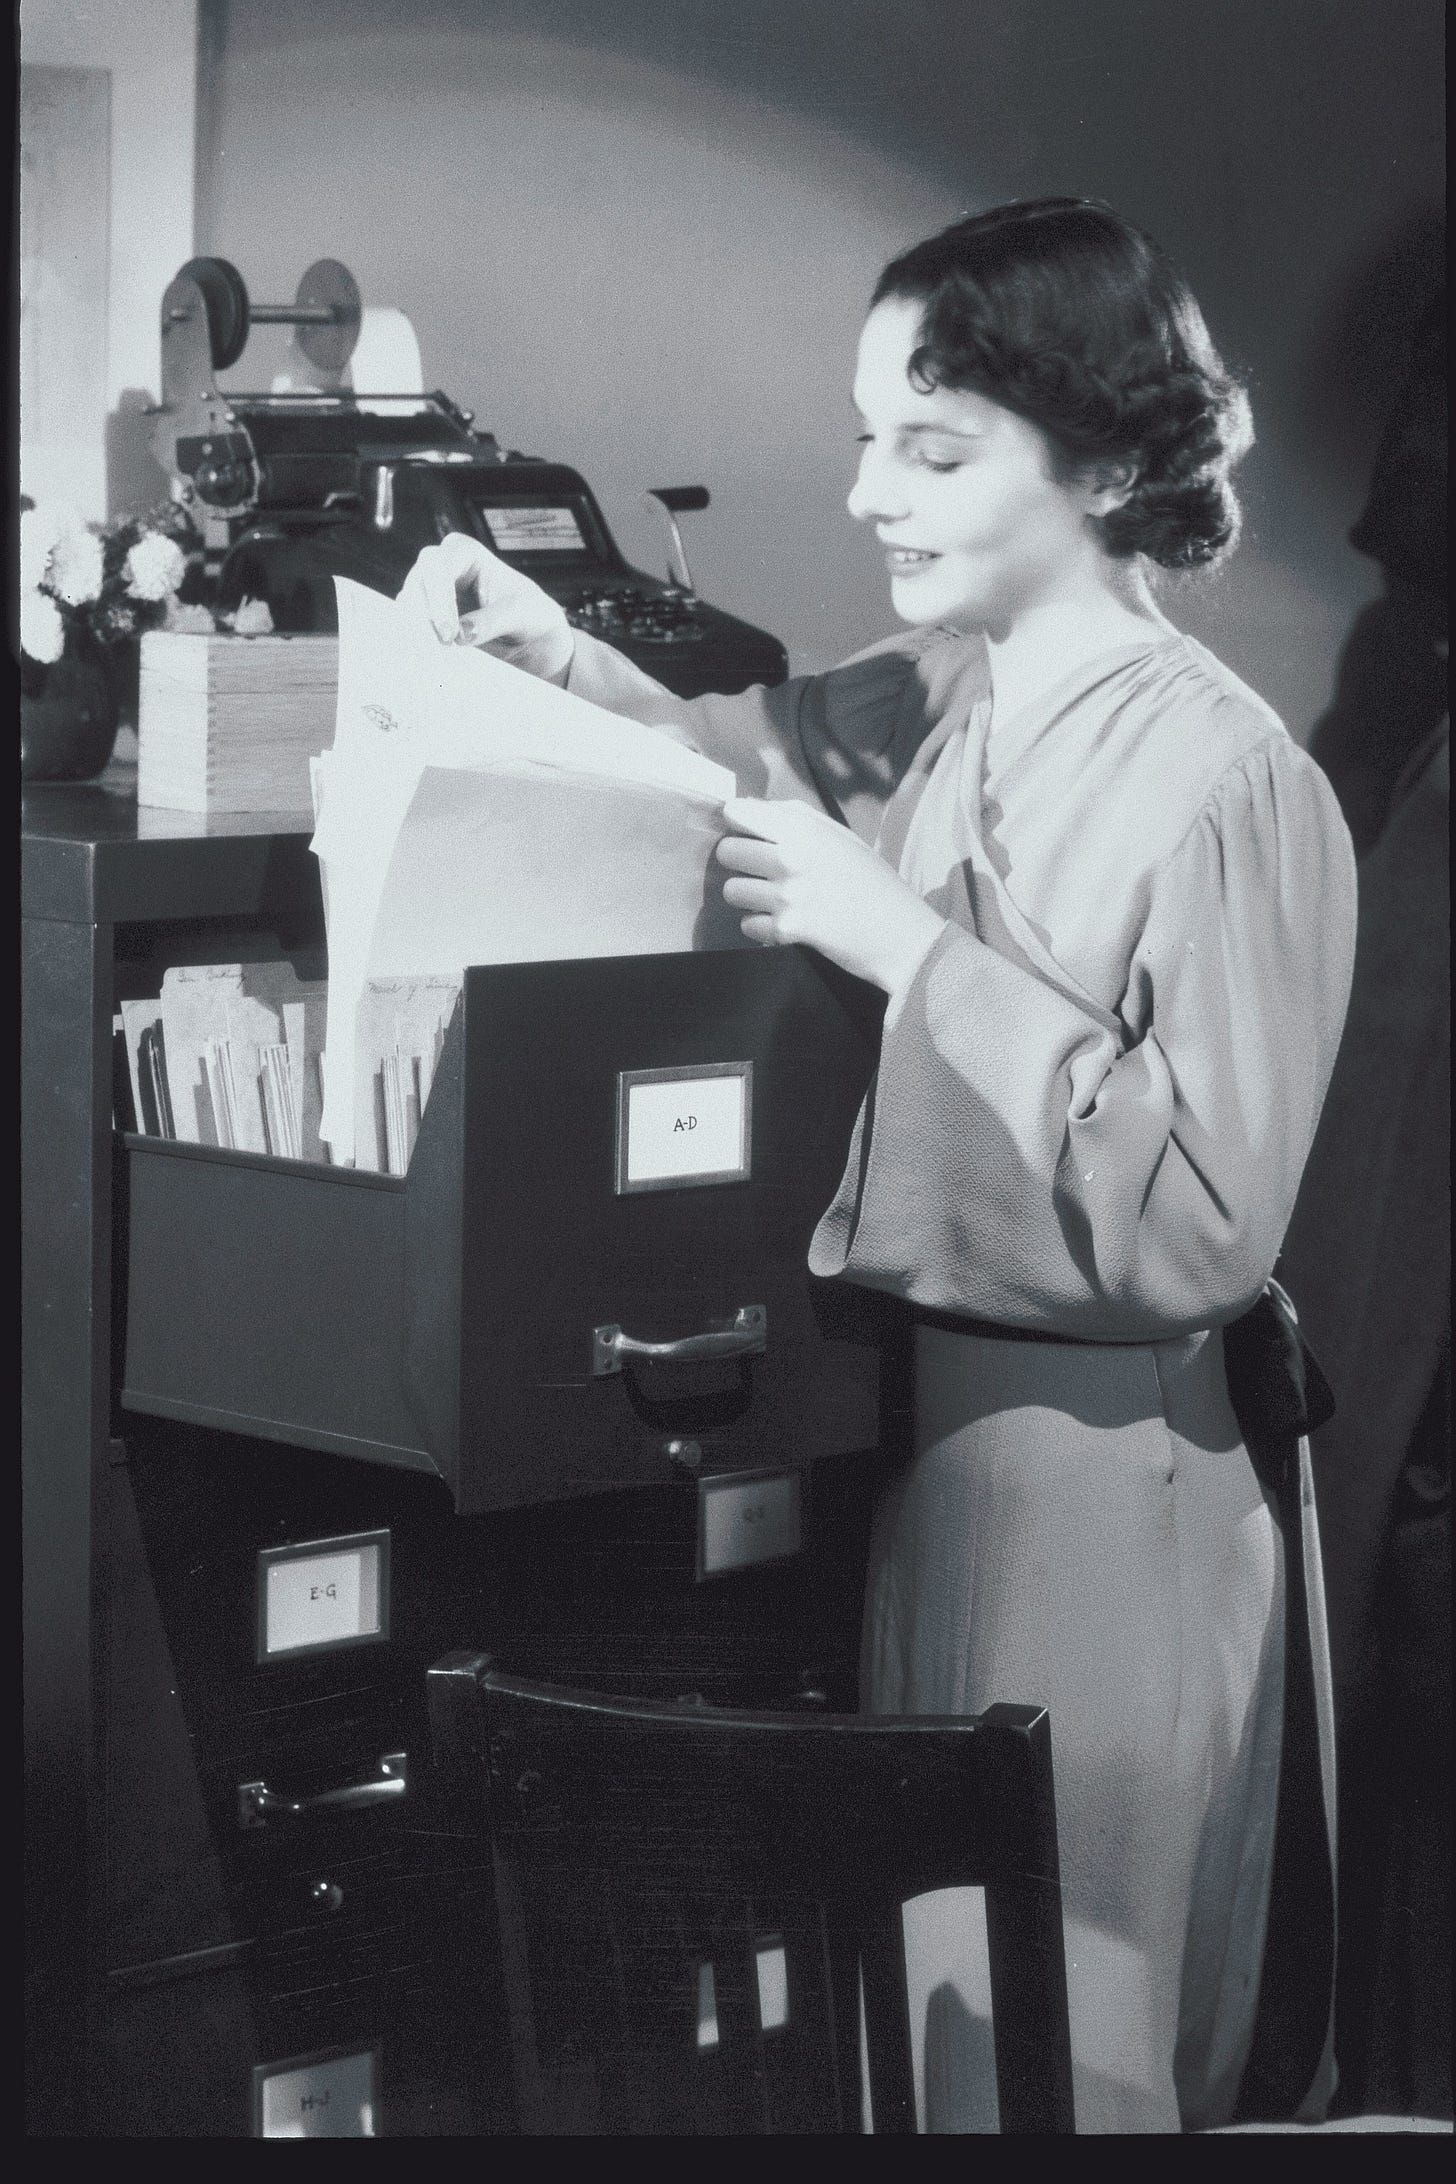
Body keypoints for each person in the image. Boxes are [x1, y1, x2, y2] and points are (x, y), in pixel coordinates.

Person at [400, 198, 1357, 2134]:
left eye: (928, 450)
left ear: (1094, 459)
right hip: (929, 1461)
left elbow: (1195, 1219)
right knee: (935, 2045)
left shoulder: (1231, 780)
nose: (863, 495)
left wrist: (906, 949)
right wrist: (560, 655)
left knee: (1068, 2044)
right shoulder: (939, 691)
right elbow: (742, 770)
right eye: (863, 440)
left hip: (1119, 1485)